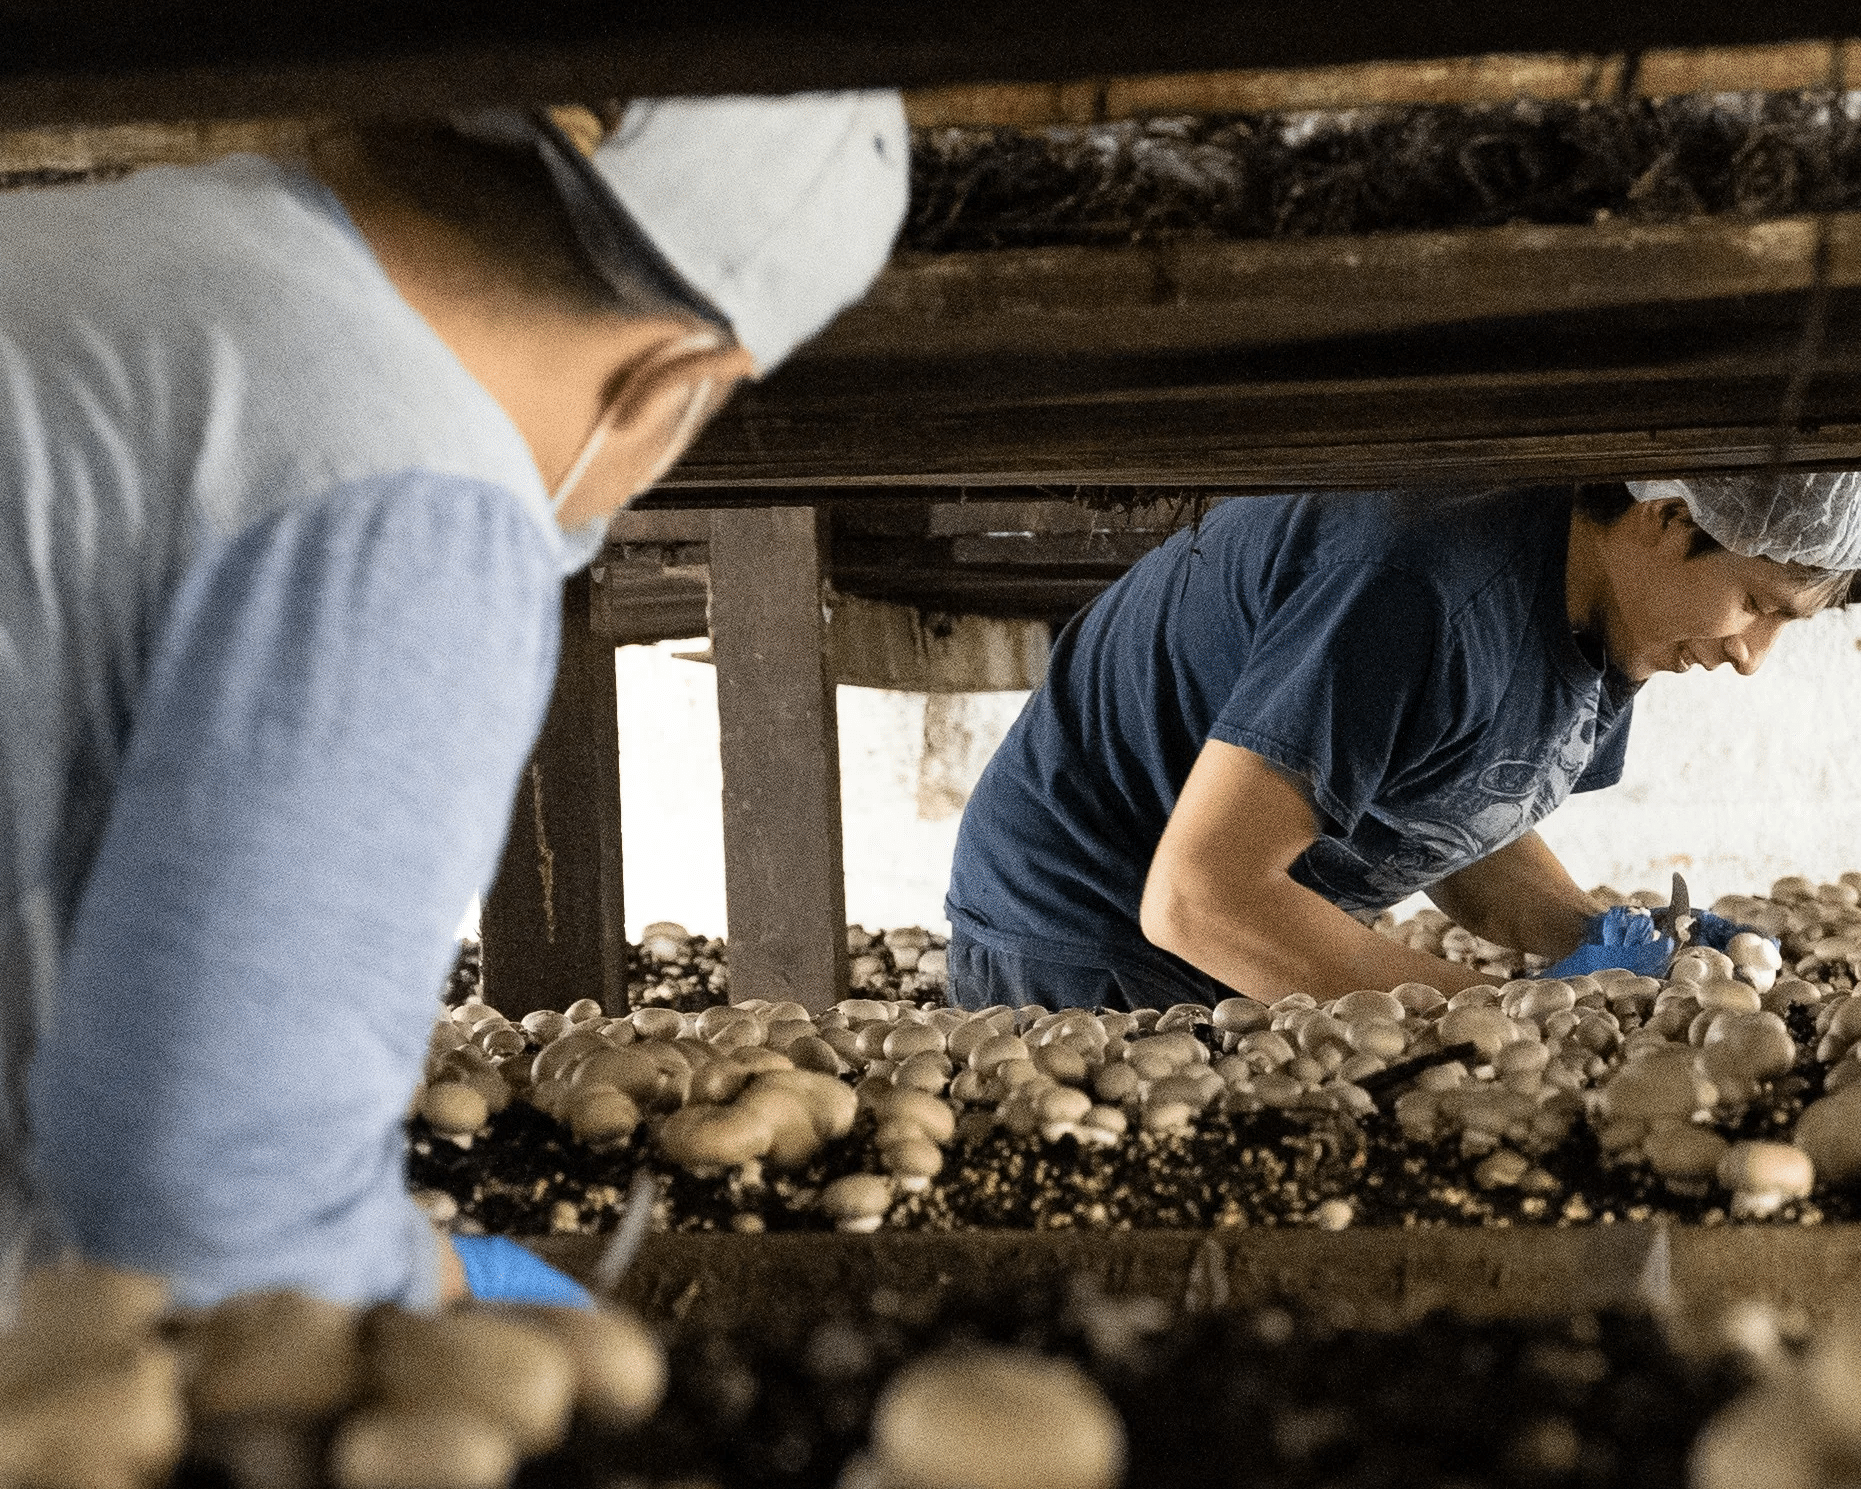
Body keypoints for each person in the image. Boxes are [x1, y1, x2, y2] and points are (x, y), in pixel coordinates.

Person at [0, 92, 909, 1308]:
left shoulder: (72, 262)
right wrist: (453, 1301)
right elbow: (215, 1205)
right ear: (677, 381)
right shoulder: (411, 486)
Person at [944, 475, 1861, 1012]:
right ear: (1666, 517)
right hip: (1082, 944)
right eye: (1755, 606)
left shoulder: (1604, 620)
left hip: (1232, 933)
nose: (1751, 657)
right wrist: (1494, 1014)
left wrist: (1590, 934)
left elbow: (1444, 810)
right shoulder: (1417, 587)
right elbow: (1197, 899)